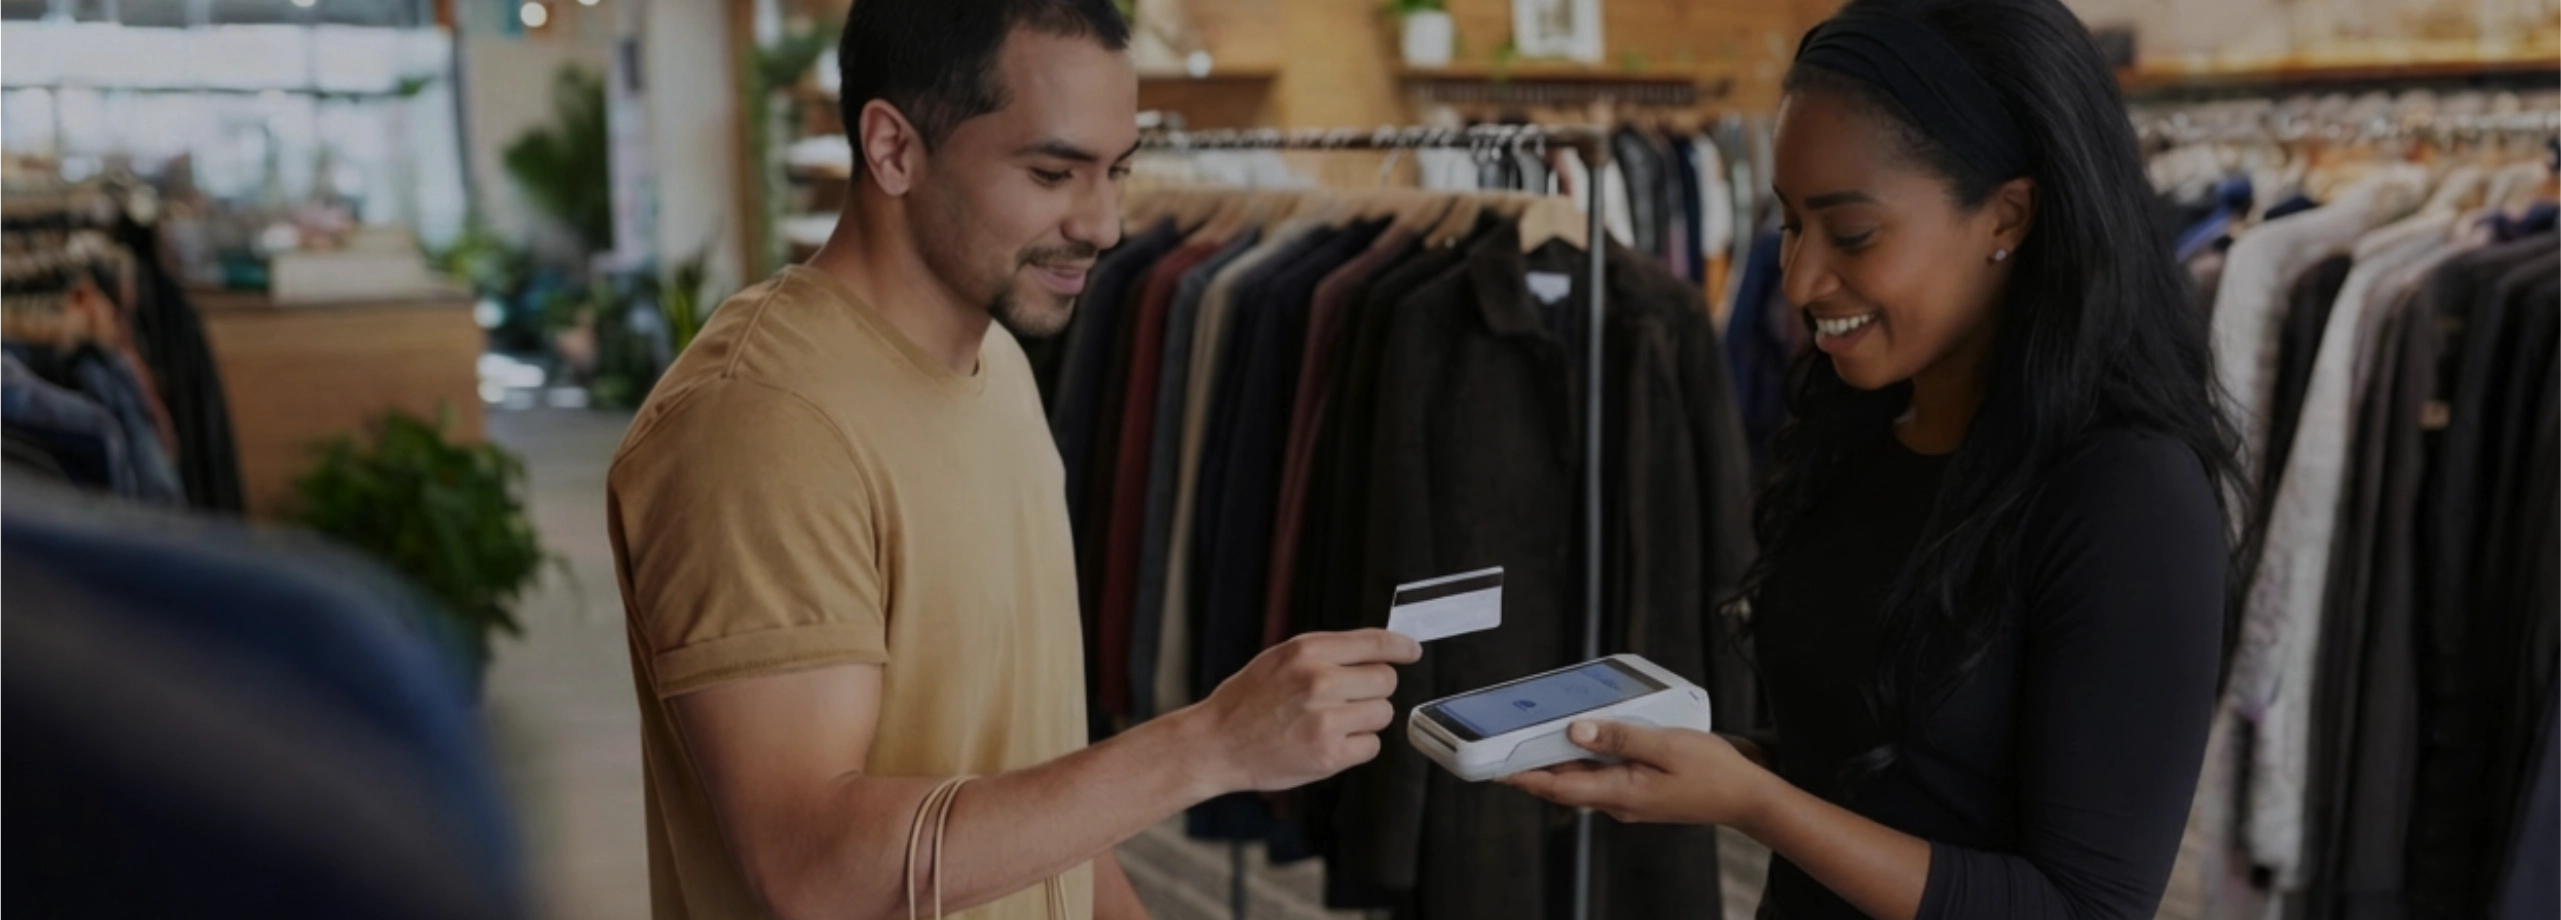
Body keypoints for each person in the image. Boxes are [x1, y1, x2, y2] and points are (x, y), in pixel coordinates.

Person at [604, 3, 1420, 919]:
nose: (1105, 225)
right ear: (893, 149)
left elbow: (1032, 782)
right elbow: (812, 869)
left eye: (1117, 172)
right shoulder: (758, 427)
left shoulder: (999, 369)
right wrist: (1208, 747)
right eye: (1051, 172)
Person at [1506, 0, 2251, 918]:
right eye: (1786, 225)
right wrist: (1698, 763)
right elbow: (1879, 759)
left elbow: (2084, 905)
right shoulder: (1860, 427)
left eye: (1850, 235)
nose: (1799, 279)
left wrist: (1753, 802)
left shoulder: (2126, 496)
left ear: (2006, 216)